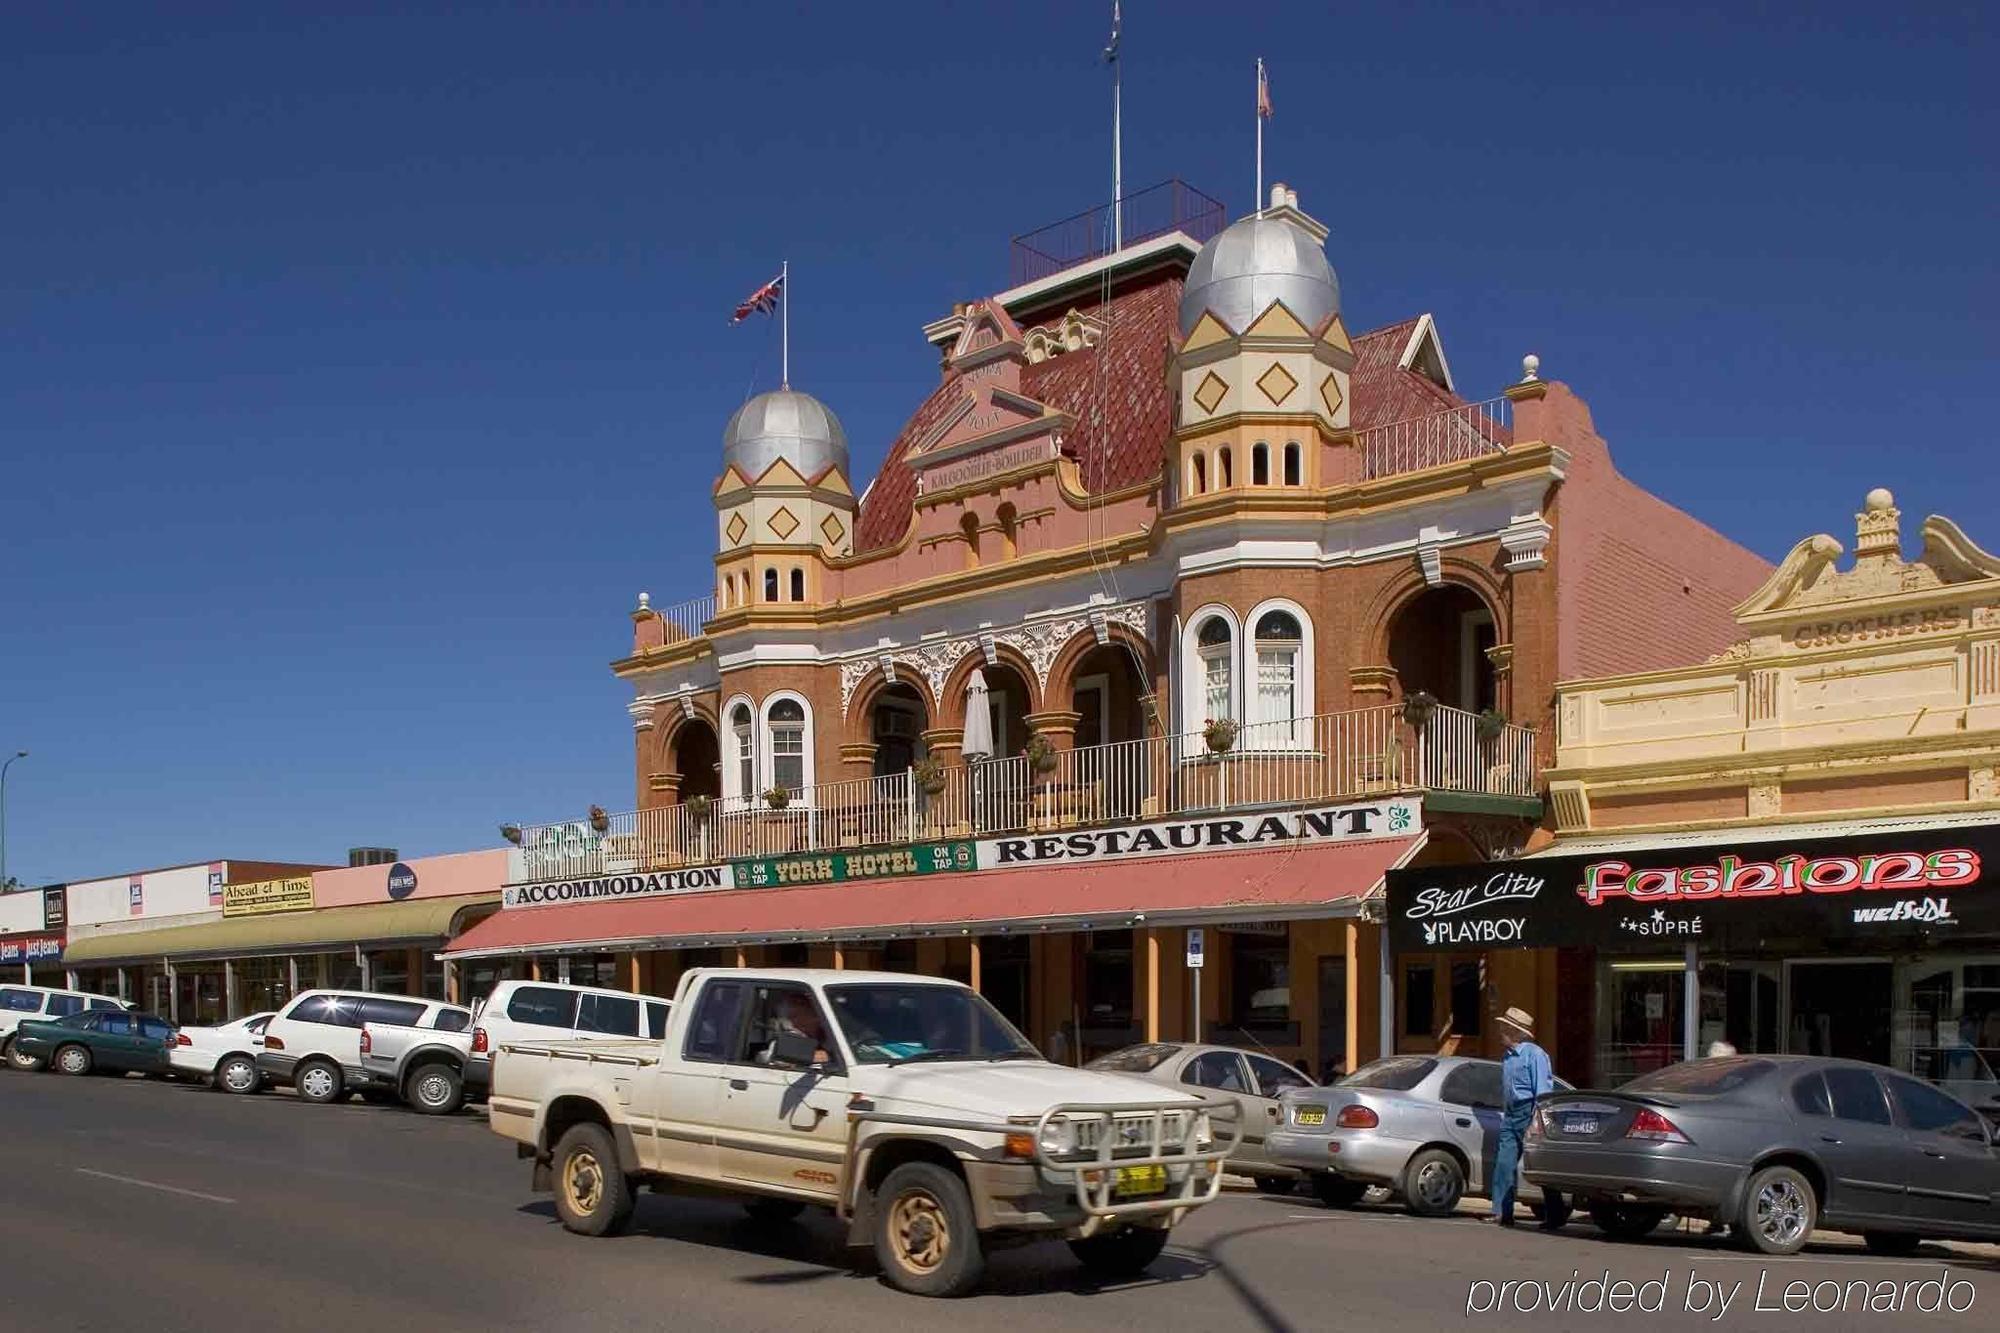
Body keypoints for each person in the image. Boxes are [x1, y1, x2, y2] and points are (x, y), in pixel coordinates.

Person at [1485, 1006, 1564, 1229]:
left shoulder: (1535, 1055)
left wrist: (1536, 1119)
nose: (1500, 1030)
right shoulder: (1508, 1057)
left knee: (1539, 1166)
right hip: (1510, 1114)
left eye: (1504, 1027)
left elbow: (1542, 1090)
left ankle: (1555, 1214)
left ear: (1515, 1031)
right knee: (1504, 1164)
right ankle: (1502, 1212)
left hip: (1529, 1111)